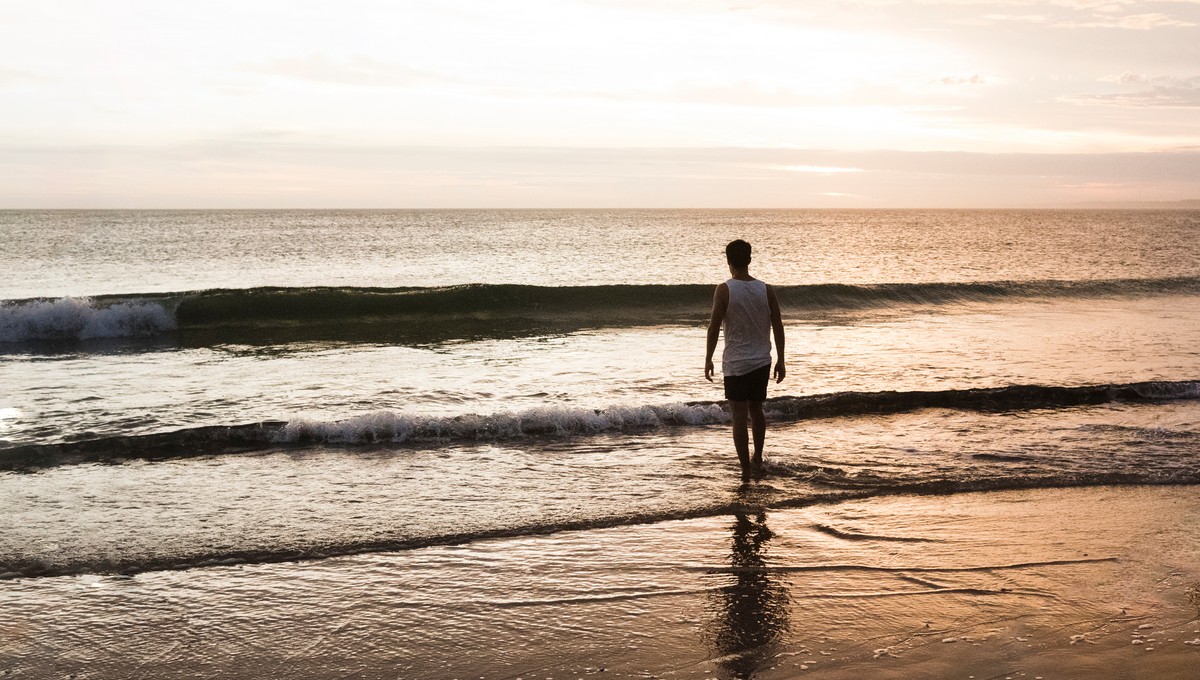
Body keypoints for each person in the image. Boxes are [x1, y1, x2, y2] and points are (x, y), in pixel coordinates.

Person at [705, 239, 786, 481]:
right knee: (756, 410)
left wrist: (708, 358)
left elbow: (713, 326)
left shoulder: (724, 289)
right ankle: (757, 458)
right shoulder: (766, 289)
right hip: (762, 359)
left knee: (739, 416)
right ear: (749, 260)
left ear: (728, 261)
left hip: (736, 362)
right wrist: (781, 359)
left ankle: (745, 468)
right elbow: (778, 325)